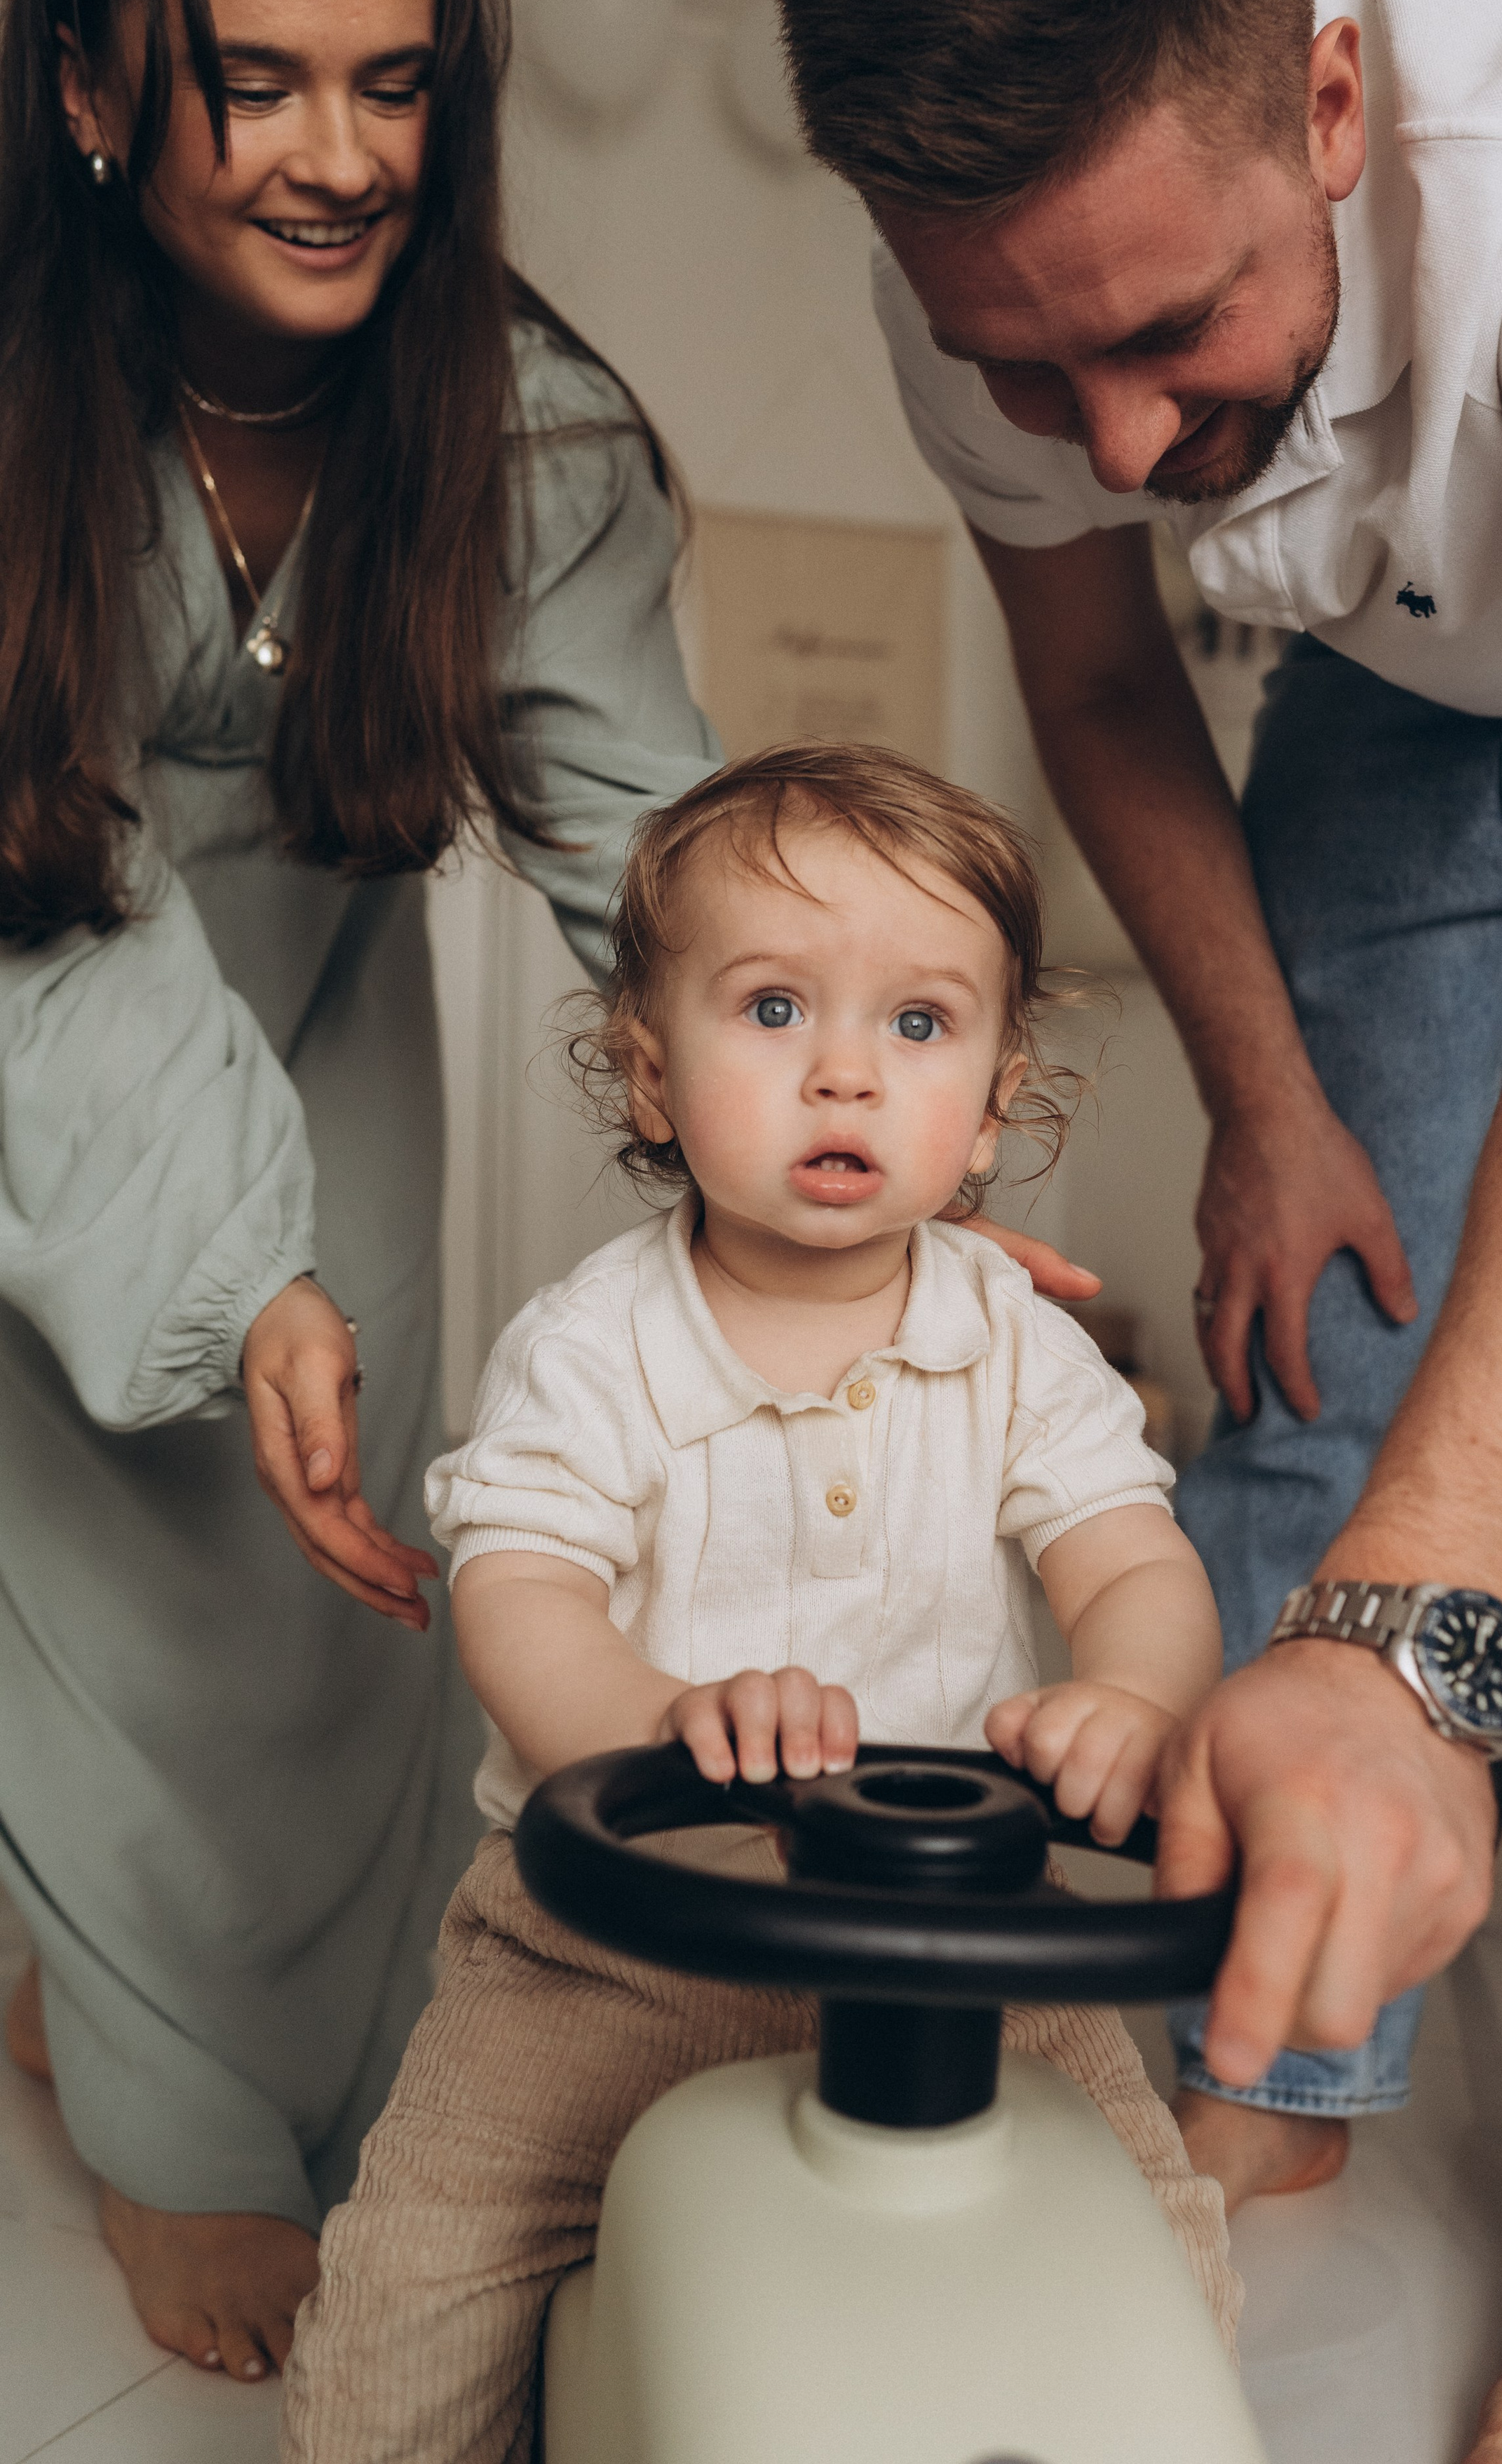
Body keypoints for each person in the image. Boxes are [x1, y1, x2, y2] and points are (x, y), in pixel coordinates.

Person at [776, 0, 1502, 2460]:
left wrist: (1431, 1643)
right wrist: (1269, 1103)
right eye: (1029, 367)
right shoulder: (991, 247)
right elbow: (1112, 690)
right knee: (1323, 1331)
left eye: (1175, 334)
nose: (1107, 441)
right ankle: (1273, 2055)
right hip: (1389, 666)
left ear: (1334, 110)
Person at [0, 0, 724, 2385]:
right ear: (93, 86)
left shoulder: (526, 429)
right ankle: (165, 2124)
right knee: (113, 1589)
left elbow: (673, 856)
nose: (339, 157)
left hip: (338, 1011)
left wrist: (866, 1127)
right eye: (258, 79)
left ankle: (263, 2042)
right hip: (31, 994)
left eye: (395, 85)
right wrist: (222, 1247)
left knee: (334, 1586)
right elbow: (31, 902)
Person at [277, 740, 1240, 2464]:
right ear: (649, 1078)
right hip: (617, 1945)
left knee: (1165, 2264)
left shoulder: (1014, 1341)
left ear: (1001, 1099)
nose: (848, 1077)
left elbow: (1129, 1556)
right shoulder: (594, 1345)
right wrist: (663, 1729)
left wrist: (1133, 1696)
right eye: (776, 1010)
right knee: (409, 2301)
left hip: (972, 1943)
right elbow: (522, 1597)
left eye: (919, 1026)